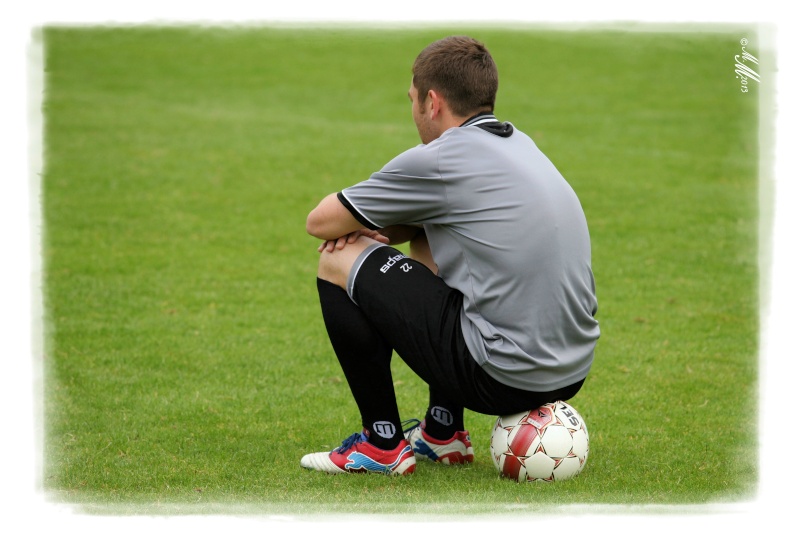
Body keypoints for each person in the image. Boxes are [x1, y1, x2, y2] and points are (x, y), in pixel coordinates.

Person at [302, 35, 599, 476]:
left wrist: (359, 234)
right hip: (570, 371)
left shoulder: (443, 157)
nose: (413, 110)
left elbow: (321, 222)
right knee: (429, 233)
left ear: (433, 102)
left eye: (412, 100)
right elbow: (430, 222)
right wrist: (387, 228)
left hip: (501, 376)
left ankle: (382, 443)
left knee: (336, 261)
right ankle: (443, 433)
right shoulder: (520, 144)